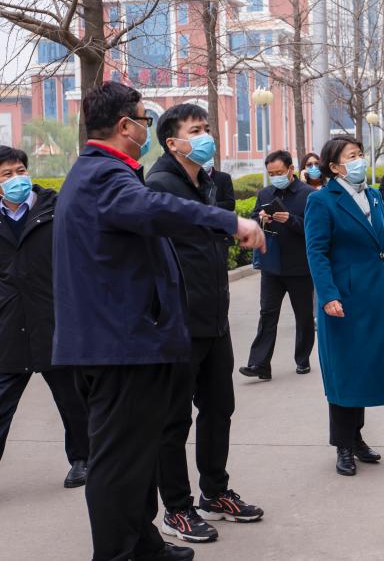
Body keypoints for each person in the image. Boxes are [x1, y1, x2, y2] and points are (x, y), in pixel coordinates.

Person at [52, 82, 265, 561]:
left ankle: (141, 543)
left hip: (124, 342)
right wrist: (230, 222)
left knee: (135, 456)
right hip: (118, 346)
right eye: (144, 120)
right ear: (125, 126)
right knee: (117, 461)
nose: (145, 128)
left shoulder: (102, 172)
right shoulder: (104, 176)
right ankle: (118, 553)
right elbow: (156, 208)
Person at [145, 103, 264, 545]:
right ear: (172, 142)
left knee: (218, 409)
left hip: (214, 317)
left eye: (206, 128)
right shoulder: (161, 185)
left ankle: (214, 492)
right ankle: (177, 508)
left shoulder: (208, 182)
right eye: (195, 130)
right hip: (178, 322)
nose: (205, 136)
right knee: (174, 420)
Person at [0, 146, 89, 508]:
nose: (17, 178)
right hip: (11, 328)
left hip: (53, 324)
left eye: (21, 171)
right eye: (8, 174)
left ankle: (83, 459)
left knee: (72, 400)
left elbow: (77, 265)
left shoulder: (55, 210)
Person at [304, 135, 384, 477]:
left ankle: (356, 438)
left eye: (360, 153)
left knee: (365, 368)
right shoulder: (322, 201)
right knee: (343, 371)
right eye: (351, 156)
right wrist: (328, 295)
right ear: (334, 167)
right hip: (341, 300)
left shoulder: (372, 196)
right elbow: (316, 252)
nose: (359, 160)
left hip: (374, 295)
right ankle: (343, 445)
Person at [240, 150, 317, 380]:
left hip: (300, 267)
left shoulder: (308, 194)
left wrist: (291, 220)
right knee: (267, 313)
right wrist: (260, 219)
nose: (276, 177)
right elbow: (253, 220)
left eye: (279, 172)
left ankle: (302, 359)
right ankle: (259, 364)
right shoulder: (265, 193)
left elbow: (315, 229)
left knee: (303, 316)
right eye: (271, 173)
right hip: (271, 265)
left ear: (291, 169)